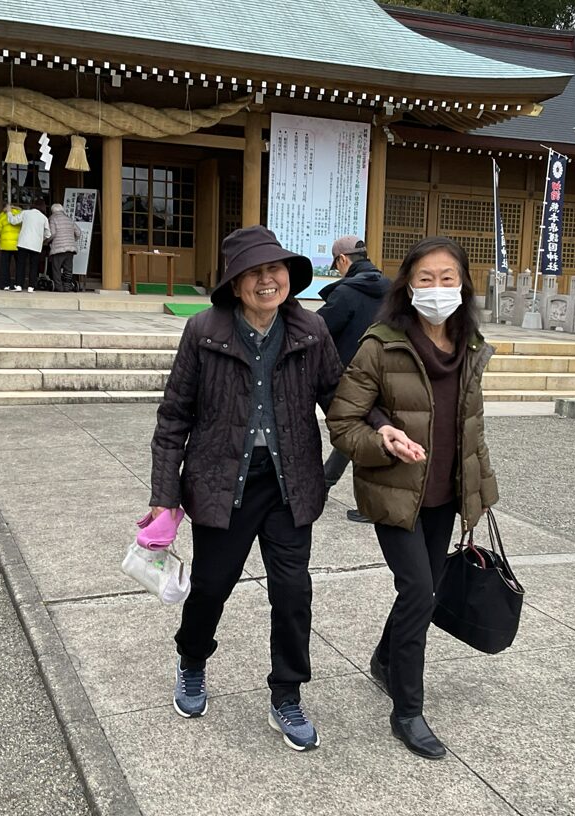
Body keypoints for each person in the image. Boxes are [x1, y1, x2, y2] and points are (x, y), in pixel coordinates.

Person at [149, 225, 342, 752]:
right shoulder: (203, 330)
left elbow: (340, 399)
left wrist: (381, 429)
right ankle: (192, 661)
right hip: (221, 480)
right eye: (253, 272)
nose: (266, 280)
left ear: (289, 276)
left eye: (274, 269)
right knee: (212, 586)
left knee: (293, 591)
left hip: (288, 482)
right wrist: (164, 496)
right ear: (235, 284)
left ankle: (287, 693)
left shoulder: (310, 330)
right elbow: (174, 416)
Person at [326, 236, 499, 760]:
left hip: (445, 493)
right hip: (395, 494)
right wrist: (382, 440)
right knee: (419, 591)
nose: (437, 288)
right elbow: (343, 420)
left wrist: (480, 489)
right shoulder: (382, 344)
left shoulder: (470, 344)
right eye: (426, 278)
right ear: (407, 285)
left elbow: (472, 427)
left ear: (464, 284)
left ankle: (385, 659)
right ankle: (407, 710)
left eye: (448, 278)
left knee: (423, 592)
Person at [318, 235, 390, 523]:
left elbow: (318, 329)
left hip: (352, 376)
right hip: (389, 373)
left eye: (336, 265)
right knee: (367, 431)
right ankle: (325, 483)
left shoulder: (346, 293)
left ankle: (367, 502)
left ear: (343, 259)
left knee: (356, 434)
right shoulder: (392, 289)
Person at [7, 199, 51, 292]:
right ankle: (31, 287)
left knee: (21, 265)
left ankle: (19, 285)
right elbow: (48, 234)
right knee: (34, 266)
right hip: (36, 245)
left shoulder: (26, 213)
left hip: (24, 242)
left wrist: (9, 212)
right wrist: (41, 239)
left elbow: (13, 221)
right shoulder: (44, 218)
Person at [48, 203, 81, 292]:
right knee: (68, 269)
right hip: (70, 248)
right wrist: (72, 240)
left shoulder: (52, 218)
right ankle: (67, 287)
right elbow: (78, 232)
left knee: (56, 268)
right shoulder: (69, 219)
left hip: (58, 248)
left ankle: (59, 287)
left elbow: (53, 233)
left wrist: (47, 241)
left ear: (53, 211)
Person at [0, 203, 22, 291]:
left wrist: (3, 233)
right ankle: (18, 284)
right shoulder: (20, 214)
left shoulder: (2, 215)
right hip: (18, 243)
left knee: (5, 265)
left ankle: (5, 284)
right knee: (19, 265)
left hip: (6, 244)